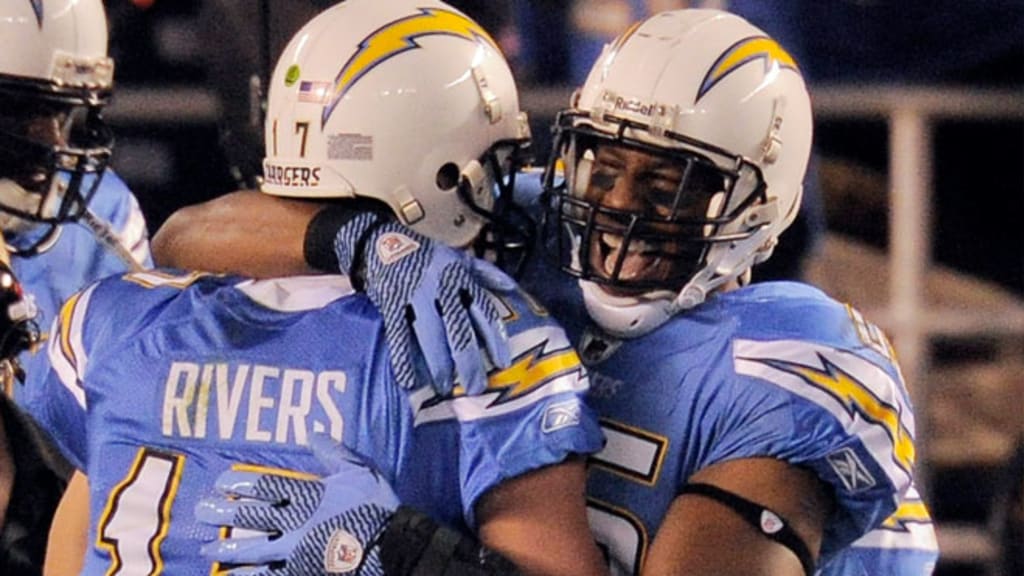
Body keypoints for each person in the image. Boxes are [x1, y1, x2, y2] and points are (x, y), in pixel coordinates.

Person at [154, 8, 941, 576]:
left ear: (759, 206)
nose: (621, 206)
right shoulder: (530, 228)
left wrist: (411, 558)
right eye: (606, 164)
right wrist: (361, 240)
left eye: (668, 186)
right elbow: (190, 233)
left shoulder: (787, 364)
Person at [25, 1, 608, 574]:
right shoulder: (482, 338)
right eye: (495, 163)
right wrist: (413, 557)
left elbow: (74, 543)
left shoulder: (116, 320)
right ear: (440, 174)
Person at [0, 1, 152, 572]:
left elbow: (122, 427)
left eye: (59, 114)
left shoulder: (101, 210)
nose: (48, 141)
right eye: (20, 112)